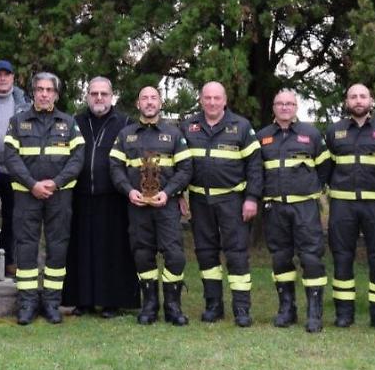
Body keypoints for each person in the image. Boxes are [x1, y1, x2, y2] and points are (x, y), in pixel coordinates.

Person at [2, 72, 86, 325]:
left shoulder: (68, 123)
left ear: (56, 95)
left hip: (59, 196)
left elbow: (78, 157)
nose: (44, 93)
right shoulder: (17, 122)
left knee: (57, 247)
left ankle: (51, 303)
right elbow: (11, 156)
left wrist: (56, 182)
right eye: (40, 89)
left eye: (49, 90)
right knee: (25, 247)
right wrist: (32, 184)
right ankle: (27, 303)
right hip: (27, 195)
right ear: (33, 93)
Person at [108, 86, 192, 325]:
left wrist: (168, 193)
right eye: (144, 98)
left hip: (166, 206)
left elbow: (186, 169)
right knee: (143, 255)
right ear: (138, 104)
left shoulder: (174, 134)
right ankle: (150, 304)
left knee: (175, 256)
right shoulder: (126, 135)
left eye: (153, 98)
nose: (149, 102)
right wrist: (129, 190)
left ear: (160, 103)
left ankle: (173, 306)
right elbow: (114, 167)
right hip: (137, 206)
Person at [181, 81, 261, 327]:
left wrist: (251, 198)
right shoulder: (189, 127)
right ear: (201, 100)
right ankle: (213, 305)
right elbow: (179, 165)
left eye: (217, 98)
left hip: (232, 200)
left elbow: (255, 166)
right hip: (199, 200)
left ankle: (242, 308)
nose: (212, 102)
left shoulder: (241, 126)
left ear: (225, 101)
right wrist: (178, 196)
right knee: (205, 253)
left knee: (236, 254)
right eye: (207, 98)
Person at [63, 77, 139, 318]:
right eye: (94, 93)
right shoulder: (75, 122)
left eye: (103, 94)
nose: (98, 98)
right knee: (81, 251)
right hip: (81, 195)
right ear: (87, 96)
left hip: (114, 197)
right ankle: (82, 300)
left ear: (111, 96)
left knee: (112, 252)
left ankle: (111, 302)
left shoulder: (126, 123)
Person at [324, 83, 375, 329]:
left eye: (362, 96)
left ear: (370, 100)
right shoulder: (334, 132)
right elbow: (327, 169)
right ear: (347, 102)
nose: (358, 100)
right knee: (342, 256)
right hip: (342, 205)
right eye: (353, 96)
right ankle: (344, 313)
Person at [257, 89, 330, 332]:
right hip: (274, 208)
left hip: (304, 208)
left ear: (296, 107)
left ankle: (314, 312)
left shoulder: (311, 134)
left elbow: (325, 169)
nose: (284, 107)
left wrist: (311, 191)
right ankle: (287, 309)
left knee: (310, 258)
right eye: (280, 104)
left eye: (289, 104)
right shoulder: (263, 136)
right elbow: (256, 172)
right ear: (273, 108)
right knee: (280, 258)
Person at [0, 59, 26, 277]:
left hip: (14, 170)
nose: (2, 78)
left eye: (6, 74)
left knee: (12, 217)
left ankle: (10, 261)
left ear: (13, 77)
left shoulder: (23, 103)